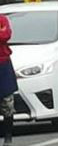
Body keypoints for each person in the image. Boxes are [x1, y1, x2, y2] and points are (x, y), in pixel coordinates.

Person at [0, 15, 17, 146]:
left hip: (3, 65)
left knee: (7, 103)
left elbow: (5, 35)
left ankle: (8, 137)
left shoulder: (2, 19)